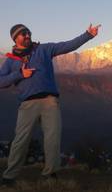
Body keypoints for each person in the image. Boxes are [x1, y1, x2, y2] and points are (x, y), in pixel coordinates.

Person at [0, 23, 101, 186]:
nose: (27, 35)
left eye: (28, 32)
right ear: (15, 38)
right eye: (23, 33)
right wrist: (19, 74)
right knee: (20, 140)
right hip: (27, 104)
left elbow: (68, 45)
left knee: (53, 139)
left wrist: (88, 35)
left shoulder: (44, 50)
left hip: (50, 101)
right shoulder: (11, 61)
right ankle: (9, 176)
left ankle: (50, 174)